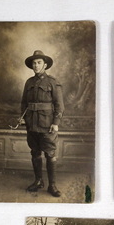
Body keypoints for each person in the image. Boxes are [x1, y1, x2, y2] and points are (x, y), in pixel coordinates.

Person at [21, 50, 65, 197]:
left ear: (45, 65)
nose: (36, 65)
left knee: (50, 154)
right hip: (31, 124)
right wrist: (23, 118)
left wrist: (56, 122)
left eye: (39, 62)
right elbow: (24, 103)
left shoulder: (53, 82)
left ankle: (52, 185)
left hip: (47, 124)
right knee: (35, 152)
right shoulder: (29, 82)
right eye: (34, 63)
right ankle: (38, 181)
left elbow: (59, 105)